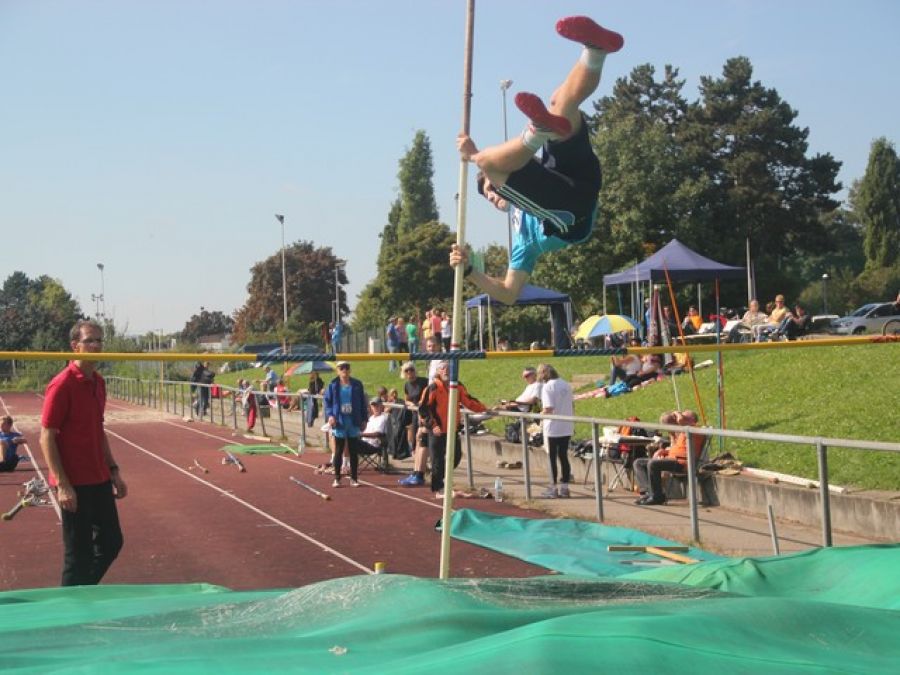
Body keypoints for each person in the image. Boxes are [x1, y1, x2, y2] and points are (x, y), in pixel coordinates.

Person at [449, 16, 624, 304]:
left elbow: (502, 169)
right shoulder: (523, 242)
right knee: (487, 163)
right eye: (489, 199)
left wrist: (481, 161)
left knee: (560, 104)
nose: (493, 198)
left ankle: (596, 51)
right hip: (572, 215)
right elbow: (508, 294)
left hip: (569, 177)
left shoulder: (515, 184)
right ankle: (536, 132)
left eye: (490, 192)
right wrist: (470, 271)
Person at [39, 319, 126, 586]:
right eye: (90, 341)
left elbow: (97, 429)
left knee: (111, 542)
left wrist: (114, 470)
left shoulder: (98, 382)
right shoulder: (62, 384)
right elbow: (46, 437)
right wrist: (63, 484)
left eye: (99, 340)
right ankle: (71, 604)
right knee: (78, 555)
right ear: (75, 346)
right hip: (74, 482)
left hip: (99, 478)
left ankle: (82, 593)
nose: (96, 345)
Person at [418, 361, 487, 497]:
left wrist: (485, 408)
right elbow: (423, 409)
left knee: (455, 457)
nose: (446, 371)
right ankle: (438, 488)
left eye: (448, 368)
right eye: (443, 368)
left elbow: (468, 401)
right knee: (437, 460)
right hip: (437, 431)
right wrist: (433, 425)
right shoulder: (432, 388)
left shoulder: (457, 386)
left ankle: (439, 477)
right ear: (438, 371)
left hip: (452, 429)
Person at [633, 410, 704, 506]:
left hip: (683, 462)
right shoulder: (683, 432)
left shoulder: (695, 430)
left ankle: (657, 497)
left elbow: (681, 420)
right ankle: (648, 492)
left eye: (684, 416)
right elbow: (676, 448)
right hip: (672, 459)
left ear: (692, 420)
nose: (679, 418)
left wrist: (676, 413)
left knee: (653, 464)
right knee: (638, 463)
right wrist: (663, 452)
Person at [323, 361, 368, 487]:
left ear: (350, 370)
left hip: (353, 420)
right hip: (340, 420)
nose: (345, 370)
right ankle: (337, 478)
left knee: (353, 450)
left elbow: (362, 402)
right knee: (339, 450)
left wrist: (364, 419)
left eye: (347, 367)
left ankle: (354, 478)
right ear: (337, 370)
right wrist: (331, 415)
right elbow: (327, 402)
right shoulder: (333, 385)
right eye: (342, 368)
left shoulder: (357, 384)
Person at [537, 364, 574, 498]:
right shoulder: (566, 384)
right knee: (563, 456)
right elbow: (572, 404)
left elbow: (548, 408)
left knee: (551, 458)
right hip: (566, 425)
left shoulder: (548, 387)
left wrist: (539, 415)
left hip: (553, 427)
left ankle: (553, 488)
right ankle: (565, 487)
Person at [398, 362, 430, 486]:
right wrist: (410, 404)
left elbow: (427, 396)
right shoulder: (407, 385)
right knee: (416, 443)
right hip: (415, 414)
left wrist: (421, 407)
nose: (409, 372)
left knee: (421, 441)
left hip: (424, 414)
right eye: (407, 371)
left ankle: (420, 473)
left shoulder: (423, 381)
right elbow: (406, 399)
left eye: (411, 370)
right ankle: (416, 471)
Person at [358, 398, 389, 465]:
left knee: (351, 442)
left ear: (381, 406)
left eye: (377, 406)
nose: (375, 408)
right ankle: (347, 463)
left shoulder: (383, 418)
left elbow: (377, 434)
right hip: (364, 443)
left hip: (372, 446)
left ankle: (347, 464)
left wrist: (361, 434)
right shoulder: (371, 418)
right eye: (373, 406)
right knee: (347, 439)